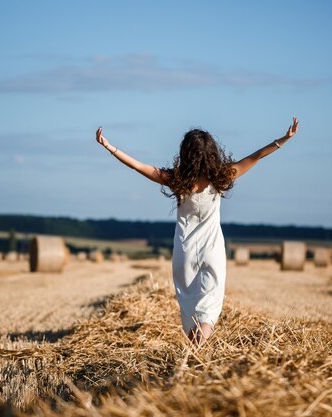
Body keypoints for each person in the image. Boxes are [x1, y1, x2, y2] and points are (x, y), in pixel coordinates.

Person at [95, 117, 299, 345]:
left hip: (185, 252)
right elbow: (255, 156)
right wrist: (283, 139)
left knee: (190, 308)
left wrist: (109, 147)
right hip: (212, 250)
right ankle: (200, 345)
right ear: (212, 153)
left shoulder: (177, 180)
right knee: (209, 309)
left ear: (186, 154)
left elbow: (139, 166)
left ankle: (195, 349)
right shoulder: (222, 176)